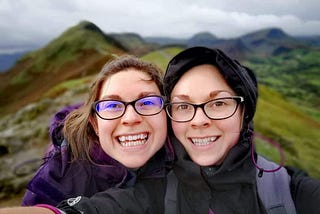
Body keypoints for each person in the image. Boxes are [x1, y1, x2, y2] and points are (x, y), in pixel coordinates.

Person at [162, 46, 320, 214]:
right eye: (183, 106)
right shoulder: (151, 191)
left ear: (244, 112)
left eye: (218, 103)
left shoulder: (297, 195)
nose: (199, 121)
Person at [19, 54, 173, 207]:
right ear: (95, 124)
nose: (131, 118)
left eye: (147, 102)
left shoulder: (186, 154)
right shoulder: (58, 180)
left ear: (166, 114)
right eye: (112, 105)